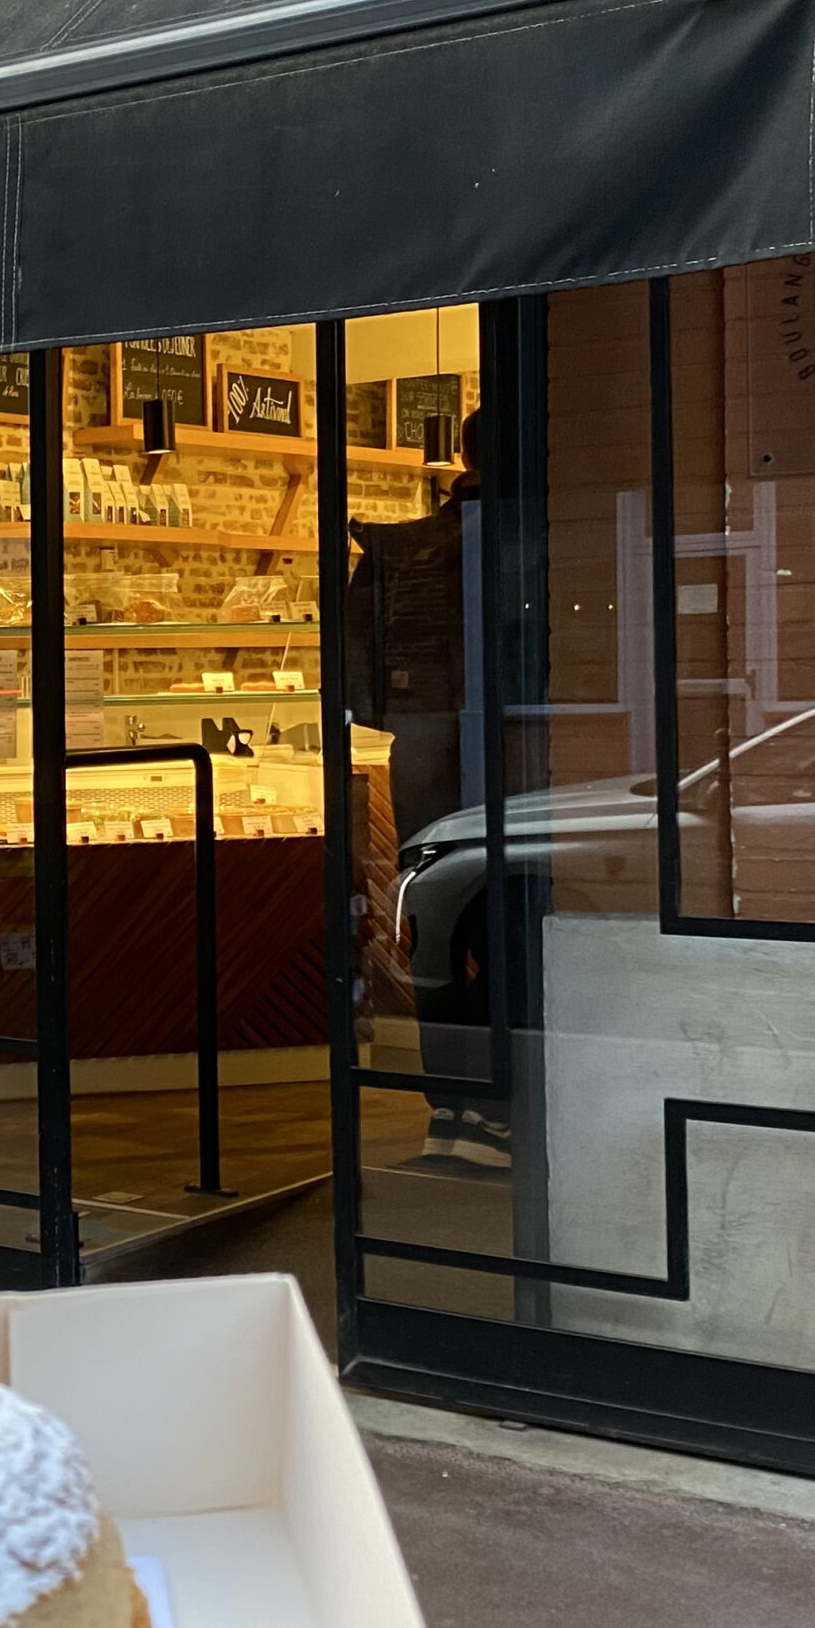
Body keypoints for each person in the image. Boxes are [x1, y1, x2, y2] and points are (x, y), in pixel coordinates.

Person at [344, 403, 508, 1170]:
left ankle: (451, 1105)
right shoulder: (530, 537)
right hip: (506, 746)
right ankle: (497, 1104)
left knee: (438, 926)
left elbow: (356, 676)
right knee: (510, 923)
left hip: (420, 749)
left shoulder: (399, 548)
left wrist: (407, 716)